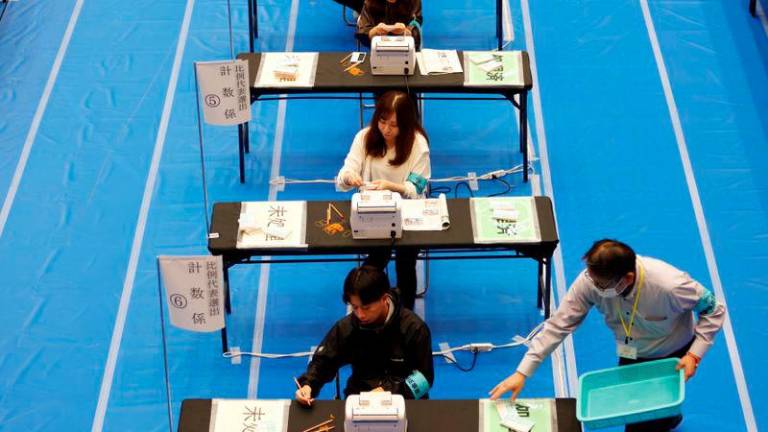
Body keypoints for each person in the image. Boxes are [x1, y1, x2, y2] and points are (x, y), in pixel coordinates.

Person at [489, 239, 726, 432]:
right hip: (629, 352)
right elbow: (559, 324)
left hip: (671, 355)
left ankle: (662, 418)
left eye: (601, 285)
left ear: (628, 278)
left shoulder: (670, 286)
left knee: (639, 424)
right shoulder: (590, 281)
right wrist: (522, 372)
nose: (593, 287)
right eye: (591, 279)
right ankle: (667, 418)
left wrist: (694, 355)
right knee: (637, 407)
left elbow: (714, 309)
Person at [336, 90, 430, 310]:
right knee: (375, 261)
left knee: (405, 264)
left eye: (394, 125)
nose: (386, 129)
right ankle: (364, 307)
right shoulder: (364, 137)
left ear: (406, 124)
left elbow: (416, 189)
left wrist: (391, 186)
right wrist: (350, 177)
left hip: (408, 214)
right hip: (372, 214)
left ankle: (406, 314)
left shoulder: (419, 146)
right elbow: (344, 173)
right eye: (382, 121)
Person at [295, 265, 434, 404]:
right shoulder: (347, 327)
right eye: (355, 307)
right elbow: (324, 361)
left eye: (367, 308)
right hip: (360, 399)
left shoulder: (414, 328)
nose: (360, 314)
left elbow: (424, 378)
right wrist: (308, 385)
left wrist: (388, 393)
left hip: (405, 402)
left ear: (384, 298)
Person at [356, 0, 423, 48]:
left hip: (406, 47)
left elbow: (417, 22)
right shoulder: (370, 2)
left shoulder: (414, 1)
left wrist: (406, 32)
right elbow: (362, 34)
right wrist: (374, 31)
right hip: (379, 48)